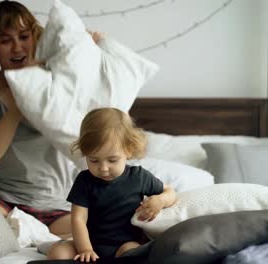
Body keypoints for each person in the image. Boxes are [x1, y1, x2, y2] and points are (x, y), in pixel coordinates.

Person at [0, 1, 104, 238]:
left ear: (35, 37)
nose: (17, 47)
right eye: (5, 40)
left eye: (23, 36)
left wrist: (90, 50)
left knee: (99, 240)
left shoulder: (59, 78)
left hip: (58, 203)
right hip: (5, 199)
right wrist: (24, 96)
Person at [47, 108, 177, 262]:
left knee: (133, 252)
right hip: (88, 244)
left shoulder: (139, 177)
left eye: (112, 160)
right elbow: (78, 219)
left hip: (123, 246)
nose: (103, 168)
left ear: (128, 150)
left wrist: (160, 200)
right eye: (94, 160)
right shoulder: (84, 180)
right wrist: (85, 249)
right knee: (58, 253)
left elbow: (170, 191)